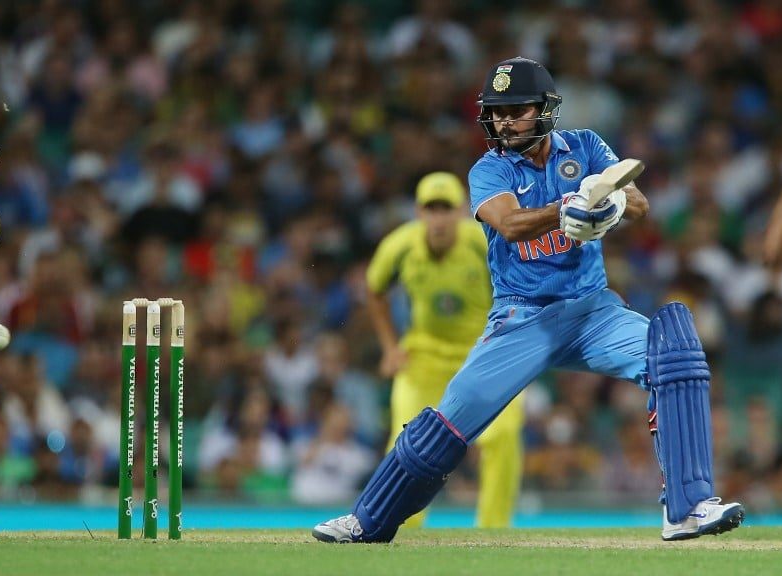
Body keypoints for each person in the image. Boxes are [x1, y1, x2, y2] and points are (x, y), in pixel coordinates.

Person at [313, 57, 745, 543]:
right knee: (449, 423)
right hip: (522, 317)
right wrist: (566, 210)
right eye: (496, 112)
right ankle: (367, 520)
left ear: (544, 109)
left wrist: (607, 203)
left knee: (674, 356)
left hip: (592, 311)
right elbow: (511, 225)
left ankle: (688, 508)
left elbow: (640, 203)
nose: (503, 122)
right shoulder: (489, 169)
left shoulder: (585, 146)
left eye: (515, 111)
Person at [366, 171, 523, 528]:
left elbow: (519, 282)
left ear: (461, 212)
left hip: (481, 354)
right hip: (424, 355)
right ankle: (401, 528)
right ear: (419, 213)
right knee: (406, 439)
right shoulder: (400, 246)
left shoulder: (482, 241)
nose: (438, 219)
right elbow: (374, 290)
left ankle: (494, 529)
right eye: (431, 209)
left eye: (446, 209)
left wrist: (510, 341)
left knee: (503, 434)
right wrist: (390, 347)